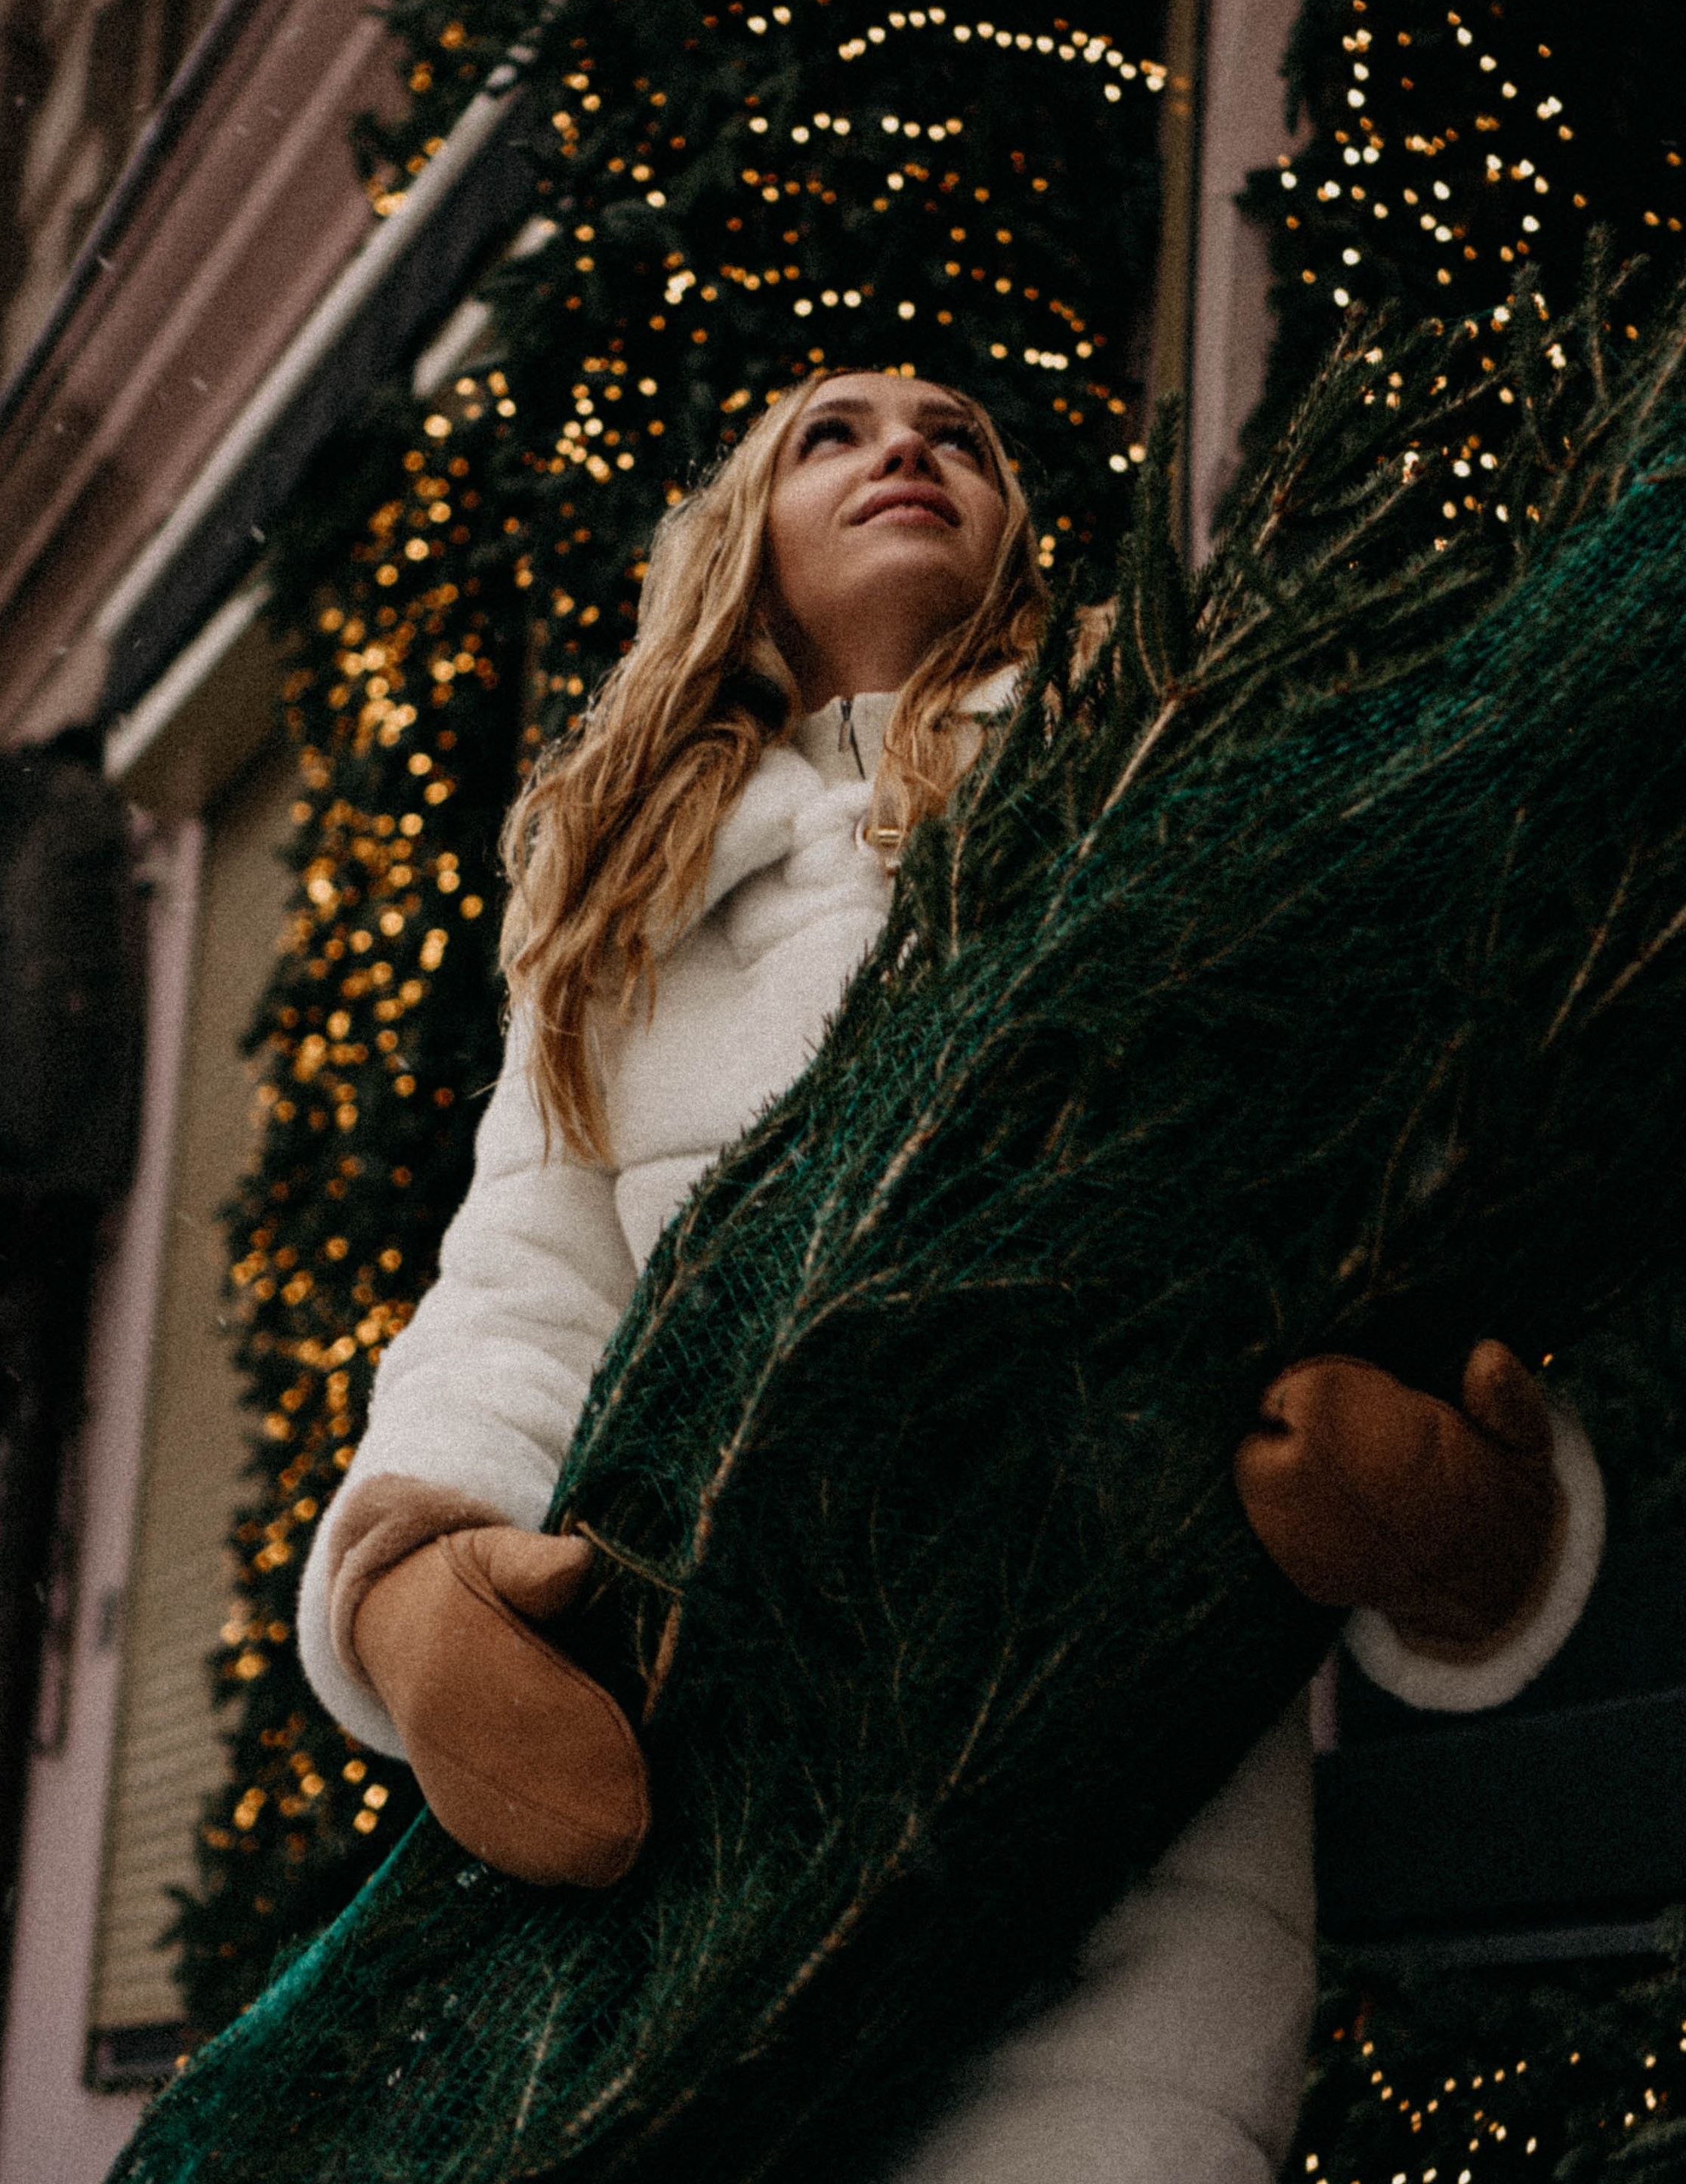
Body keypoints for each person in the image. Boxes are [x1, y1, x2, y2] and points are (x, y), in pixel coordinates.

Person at [296, 369, 1604, 2184]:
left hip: (1128, 1773)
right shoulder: (612, 915)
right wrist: (408, 1587)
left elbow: (1363, 1170)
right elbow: (516, 1296)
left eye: (958, 437)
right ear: (737, 540)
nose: (905, 448)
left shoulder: (1157, 774)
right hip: (728, 1804)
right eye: (830, 432)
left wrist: (1467, 1521)